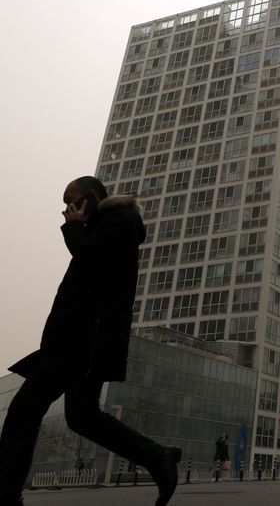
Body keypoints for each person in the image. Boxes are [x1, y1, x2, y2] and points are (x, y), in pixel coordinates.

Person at [0, 177, 181, 506]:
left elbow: (91, 256)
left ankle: (6, 494)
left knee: (24, 412)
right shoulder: (103, 225)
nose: (67, 209)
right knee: (82, 416)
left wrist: (75, 227)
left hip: (84, 340)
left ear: (92, 197)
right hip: (80, 339)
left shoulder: (120, 222)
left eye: (72, 201)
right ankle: (158, 458)